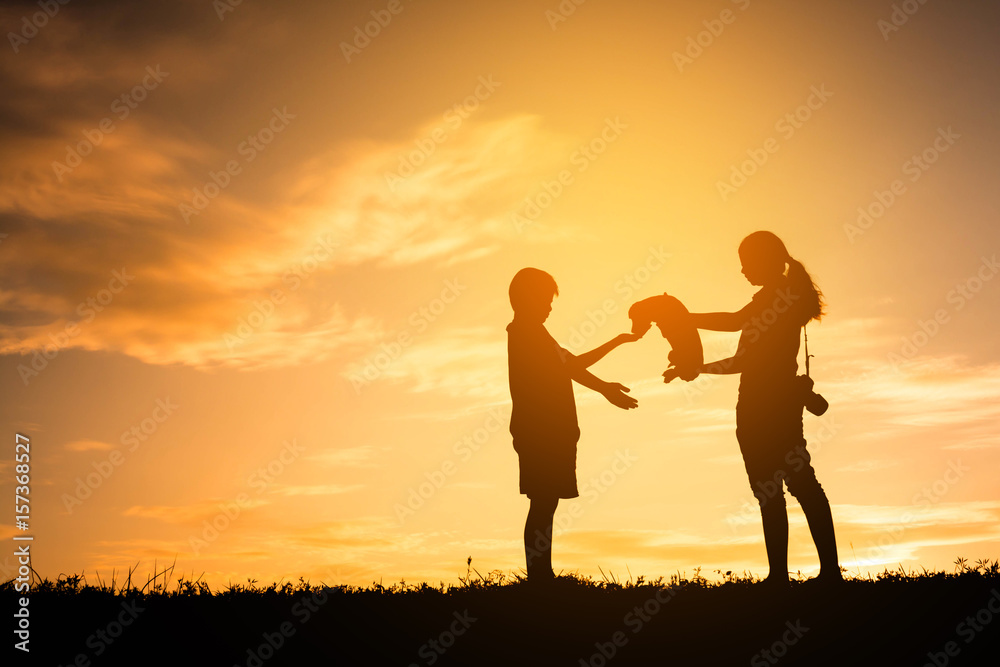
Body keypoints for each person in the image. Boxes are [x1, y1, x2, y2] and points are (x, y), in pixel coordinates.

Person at [670, 232, 842, 587]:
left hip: (764, 407)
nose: (742, 270)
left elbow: (735, 327)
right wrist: (698, 366)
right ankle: (810, 574)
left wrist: (683, 318)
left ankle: (802, 575)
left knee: (787, 488)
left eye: (747, 262)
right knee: (791, 487)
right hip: (766, 404)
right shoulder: (780, 297)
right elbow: (741, 359)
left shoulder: (776, 299)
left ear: (766, 260)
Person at [506, 267, 639, 583]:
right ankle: (539, 576)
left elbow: (570, 365)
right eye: (545, 300)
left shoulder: (537, 334)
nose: (550, 307)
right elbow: (572, 366)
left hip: (552, 431)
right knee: (542, 501)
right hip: (540, 431)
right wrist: (607, 380)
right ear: (527, 298)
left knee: (546, 501)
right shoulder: (525, 333)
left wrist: (608, 377)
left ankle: (542, 574)